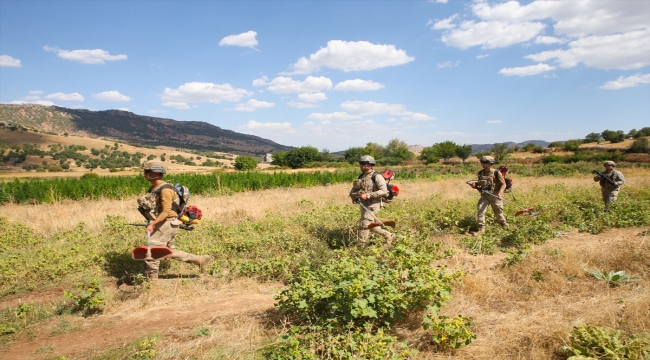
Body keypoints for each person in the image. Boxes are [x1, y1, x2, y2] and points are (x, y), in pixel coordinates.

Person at [138, 160, 211, 281]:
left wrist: (153, 225)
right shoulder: (155, 188)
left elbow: (166, 211)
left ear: (155, 173)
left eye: (146, 171)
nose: (144, 174)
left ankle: (151, 285)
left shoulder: (165, 190)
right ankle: (200, 260)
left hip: (166, 223)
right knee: (168, 252)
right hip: (166, 222)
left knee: (152, 253)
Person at [349, 155, 396, 245]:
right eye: (360, 164)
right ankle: (388, 235)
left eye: (362, 164)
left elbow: (384, 191)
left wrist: (368, 195)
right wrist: (352, 194)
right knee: (368, 224)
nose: (360, 166)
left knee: (364, 224)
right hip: (364, 203)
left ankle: (360, 246)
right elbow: (355, 187)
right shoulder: (362, 176)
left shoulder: (377, 176)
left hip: (374, 204)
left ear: (369, 165)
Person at [470, 156, 508, 236]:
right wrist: (475, 185)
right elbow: (480, 184)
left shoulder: (496, 173)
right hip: (485, 195)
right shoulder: (481, 173)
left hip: (495, 195)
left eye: (485, 162)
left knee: (498, 213)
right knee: (480, 211)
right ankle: (481, 230)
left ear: (490, 163)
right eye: (482, 162)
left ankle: (505, 226)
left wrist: (500, 193)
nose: (483, 164)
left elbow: (503, 184)